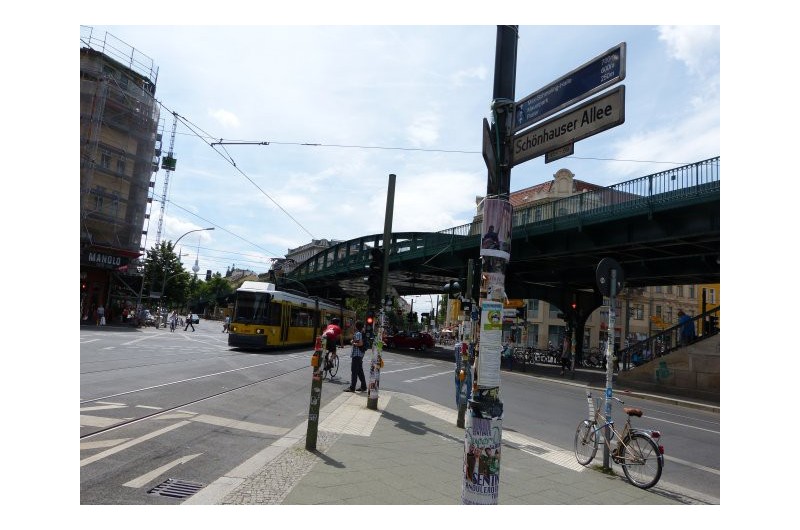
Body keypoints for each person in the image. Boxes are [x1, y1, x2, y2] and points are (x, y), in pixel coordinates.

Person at [344, 321, 367, 393]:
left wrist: (352, 342)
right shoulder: (361, 333)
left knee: (354, 371)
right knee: (360, 372)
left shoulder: (358, 333)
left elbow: (360, 344)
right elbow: (359, 342)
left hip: (356, 355)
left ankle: (352, 387)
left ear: (356, 326)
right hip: (360, 355)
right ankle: (363, 386)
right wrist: (354, 341)